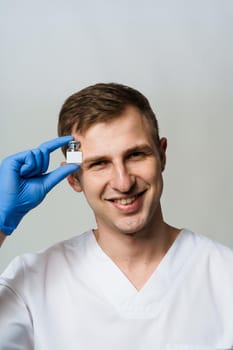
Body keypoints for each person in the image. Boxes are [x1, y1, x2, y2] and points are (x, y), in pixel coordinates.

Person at [0, 83, 233, 349]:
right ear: (73, 178)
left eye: (135, 155)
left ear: (162, 155)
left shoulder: (225, 277)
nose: (123, 182)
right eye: (99, 163)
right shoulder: (30, 285)